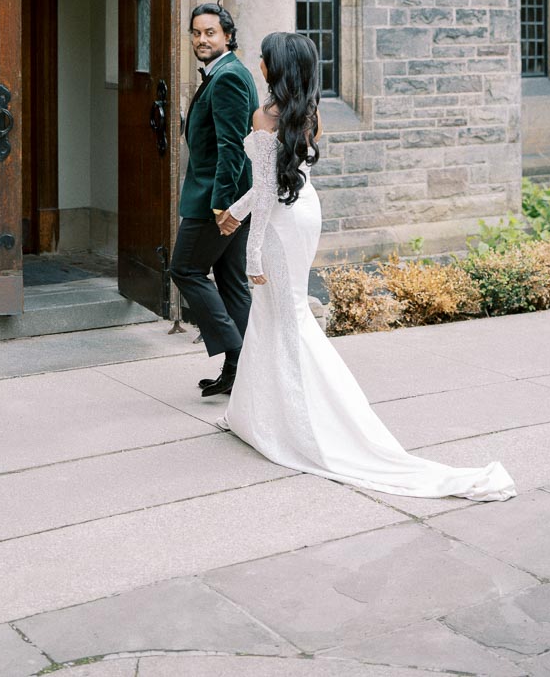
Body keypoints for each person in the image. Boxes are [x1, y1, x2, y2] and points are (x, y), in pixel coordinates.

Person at [215, 31, 516, 502]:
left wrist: (250, 250)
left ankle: (302, 420)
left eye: (264, 58)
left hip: (277, 227)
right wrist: (236, 210)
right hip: (305, 215)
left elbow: (267, 193)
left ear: (279, 67)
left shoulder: (264, 115)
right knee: (284, 313)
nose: (259, 63)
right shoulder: (307, 115)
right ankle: (253, 413)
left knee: (282, 317)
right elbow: (275, 187)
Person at [170, 3, 259, 398]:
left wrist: (223, 206)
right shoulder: (223, 72)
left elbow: (233, 147)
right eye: (196, 32)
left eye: (210, 32)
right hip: (233, 198)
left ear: (227, 36)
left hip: (217, 199)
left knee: (185, 270)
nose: (202, 39)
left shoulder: (228, 78)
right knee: (232, 284)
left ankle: (239, 348)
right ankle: (240, 372)